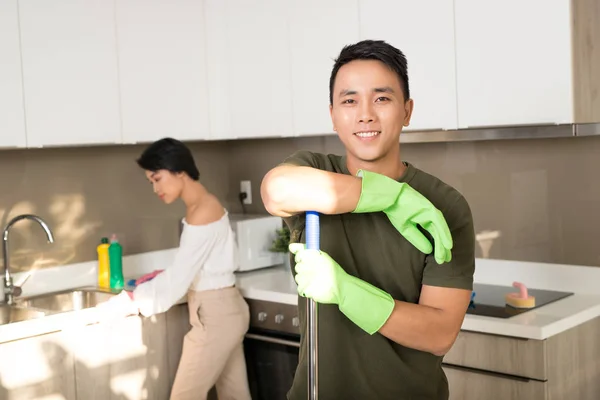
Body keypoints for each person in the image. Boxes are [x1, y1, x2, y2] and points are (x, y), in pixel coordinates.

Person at [260, 40, 475, 399]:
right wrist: (391, 196)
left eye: (382, 98)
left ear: (407, 111)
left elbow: (439, 335)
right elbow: (275, 192)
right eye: (349, 100)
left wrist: (346, 291)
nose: (365, 114)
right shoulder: (314, 172)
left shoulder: (443, 207)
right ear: (332, 114)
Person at [99, 138, 252, 400]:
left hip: (215, 316)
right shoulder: (205, 205)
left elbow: (178, 280)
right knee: (235, 396)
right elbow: (195, 266)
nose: (155, 188)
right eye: (151, 182)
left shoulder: (202, 211)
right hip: (226, 310)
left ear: (179, 170)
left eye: (157, 178)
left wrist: (133, 298)